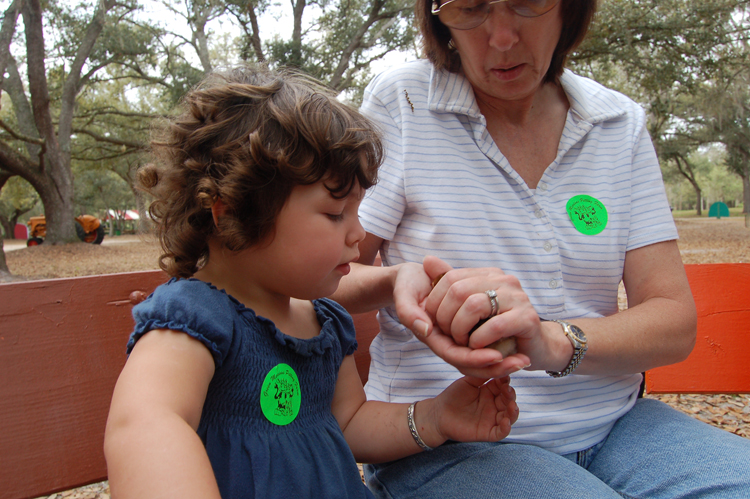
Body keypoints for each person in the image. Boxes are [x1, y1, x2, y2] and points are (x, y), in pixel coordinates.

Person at [331, 0, 750, 497]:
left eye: (527, 3)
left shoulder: (618, 122)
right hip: (447, 443)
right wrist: (393, 279)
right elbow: (318, 278)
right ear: (438, 16)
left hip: (618, 426)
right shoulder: (404, 101)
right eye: (471, 8)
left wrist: (553, 342)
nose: (502, 36)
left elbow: (672, 319)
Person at [103, 65, 519, 499]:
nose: (358, 234)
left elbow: (349, 422)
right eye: (335, 213)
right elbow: (147, 422)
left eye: (357, 211)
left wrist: (434, 418)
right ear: (233, 213)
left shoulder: (324, 323)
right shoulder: (194, 319)